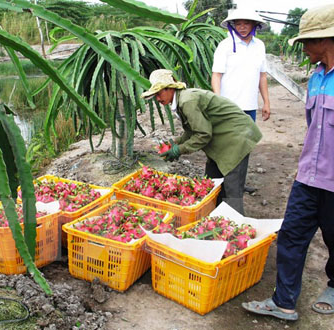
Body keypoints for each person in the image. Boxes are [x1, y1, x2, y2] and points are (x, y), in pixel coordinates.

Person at [242, 4, 334, 321]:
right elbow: (314, 129)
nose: (304, 48)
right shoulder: (318, 78)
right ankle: (284, 302)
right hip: (307, 177)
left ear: (326, 40)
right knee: (292, 235)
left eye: (307, 41)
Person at [141, 69, 262, 215]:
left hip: (237, 137)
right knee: (211, 182)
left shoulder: (187, 101)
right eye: (155, 96)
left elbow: (203, 134)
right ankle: (216, 216)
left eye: (159, 93)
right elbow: (193, 130)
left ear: (170, 88)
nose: (158, 99)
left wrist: (179, 149)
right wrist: (175, 143)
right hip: (223, 138)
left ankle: (235, 227)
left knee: (232, 188)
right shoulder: (181, 100)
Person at [212, 8, 270, 193]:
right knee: (223, 146)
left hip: (250, 107)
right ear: (232, 25)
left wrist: (266, 102)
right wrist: (218, 101)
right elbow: (216, 75)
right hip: (228, 107)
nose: (242, 27)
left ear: (254, 25)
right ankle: (217, 186)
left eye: (246, 23)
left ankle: (237, 185)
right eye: (238, 23)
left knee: (244, 148)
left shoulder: (259, 46)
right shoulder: (225, 45)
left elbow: (262, 76)